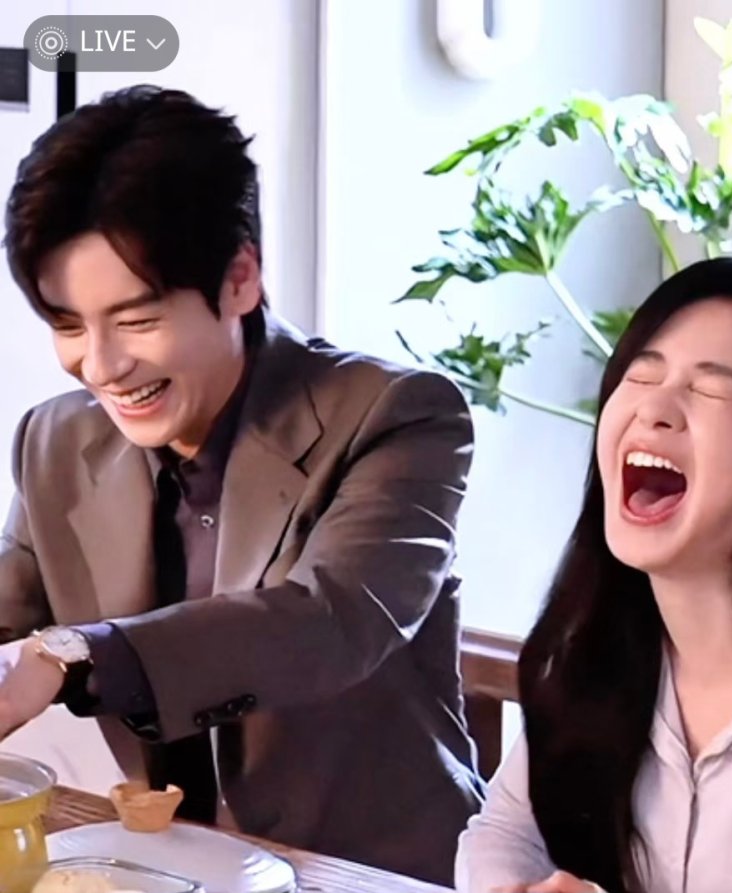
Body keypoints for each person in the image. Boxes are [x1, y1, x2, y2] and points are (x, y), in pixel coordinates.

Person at [0, 85, 482, 886]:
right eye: (68, 325)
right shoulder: (56, 437)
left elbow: (331, 619)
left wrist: (75, 653)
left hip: (368, 874)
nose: (102, 366)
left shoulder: (397, 414)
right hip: (161, 866)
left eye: (137, 319)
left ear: (240, 278)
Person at [455, 257, 732, 893]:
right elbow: (504, 834)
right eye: (640, 376)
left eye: (711, 389)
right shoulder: (599, 655)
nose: (654, 409)